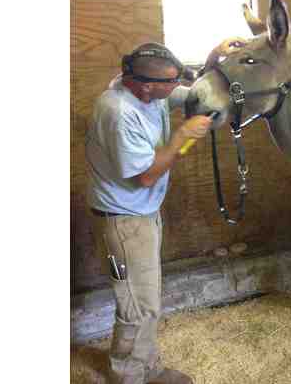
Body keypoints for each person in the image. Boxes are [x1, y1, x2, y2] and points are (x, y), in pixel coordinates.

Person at [85, 42, 211, 384]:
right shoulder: (119, 112)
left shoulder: (147, 92)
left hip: (141, 215)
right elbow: (146, 176)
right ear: (145, 85)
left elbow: (184, 95)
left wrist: (212, 58)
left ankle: (146, 367)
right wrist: (182, 137)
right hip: (123, 221)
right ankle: (127, 377)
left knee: (146, 298)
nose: (177, 87)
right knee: (136, 306)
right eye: (171, 82)